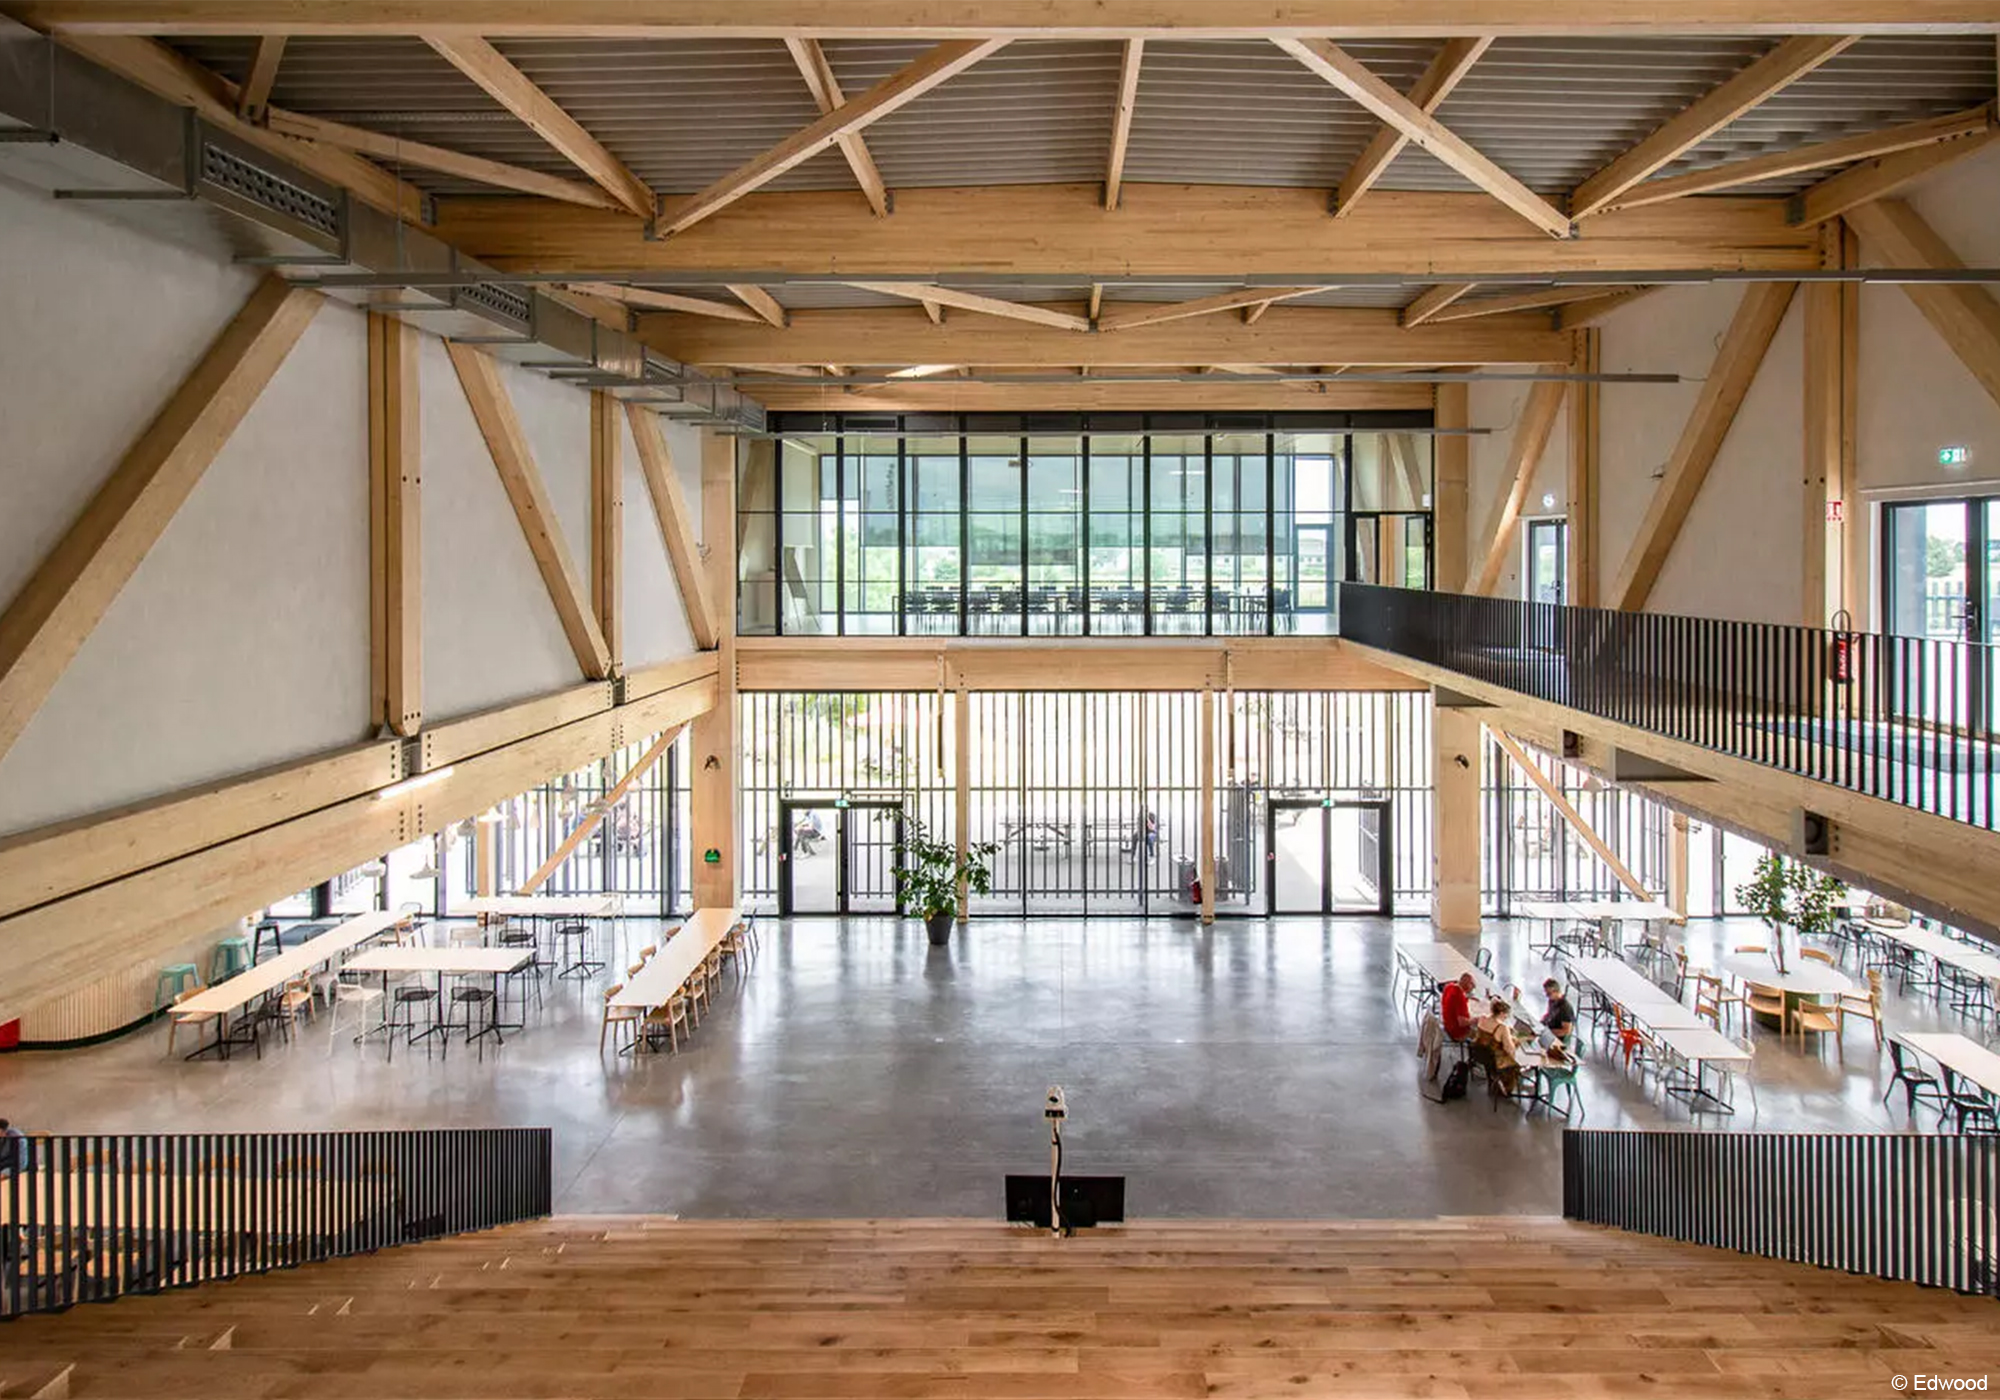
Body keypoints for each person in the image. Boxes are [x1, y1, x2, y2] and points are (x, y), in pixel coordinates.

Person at [1472, 998, 1523, 1094]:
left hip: (1480, 1054)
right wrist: (1515, 1041)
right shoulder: (1502, 1028)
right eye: (1506, 1015)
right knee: (1516, 1063)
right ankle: (1507, 1088)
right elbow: (1510, 1049)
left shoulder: (1482, 1019)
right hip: (1494, 1060)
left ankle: (1495, 1080)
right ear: (1501, 1013)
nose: (1506, 1017)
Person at [1439, 972, 1476, 1043]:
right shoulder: (1459, 996)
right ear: (1467, 985)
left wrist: (1466, 998)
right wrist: (1476, 1020)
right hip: (1458, 1033)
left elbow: (1453, 1003)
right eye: (1472, 985)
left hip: (1448, 1027)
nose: (1473, 988)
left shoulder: (1449, 986)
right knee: (1484, 1034)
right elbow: (1462, 1022)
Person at [1540, 978, 1576, 1045]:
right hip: (1549, 1034)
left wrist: (1548, 1032)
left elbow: (1566, 1031)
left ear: (1556, 991)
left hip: (1558, 1041)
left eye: (1549, 993)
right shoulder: (1552, 1001)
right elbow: (1550, 1014)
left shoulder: (1565, 1008)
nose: (1547, 996)